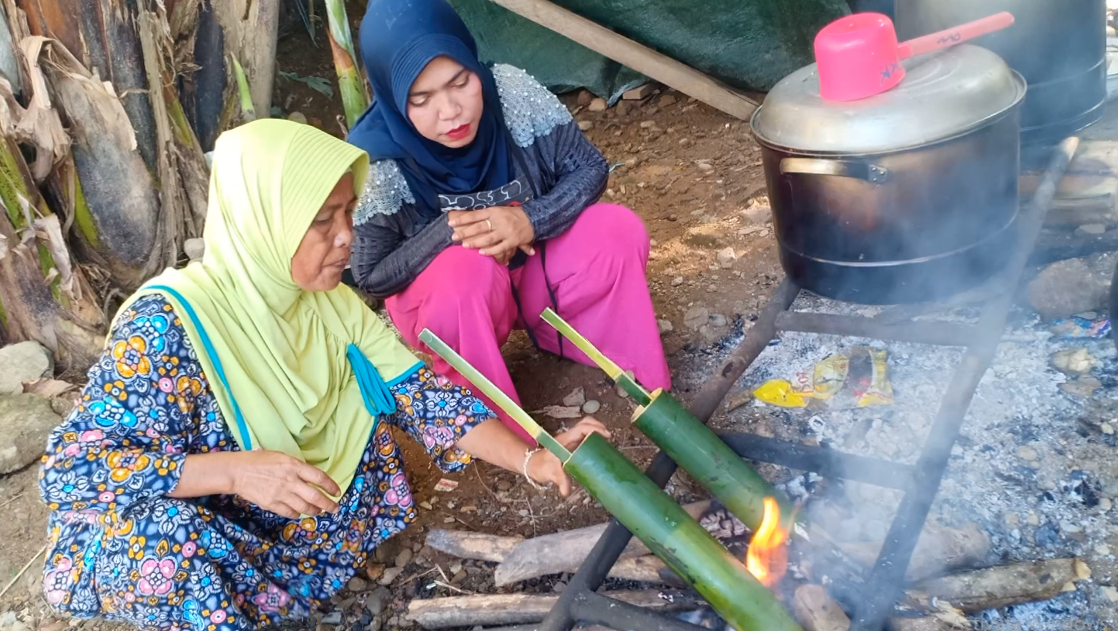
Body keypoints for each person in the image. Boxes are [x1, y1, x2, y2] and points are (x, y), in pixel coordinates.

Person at [37, 119, 607, 631]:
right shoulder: (166, 326)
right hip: (196, 523)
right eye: (321, 221)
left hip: (294, 524)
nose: (347, 237)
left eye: (349, 213)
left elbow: (426, 398)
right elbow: (71, 471)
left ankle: (279, 587)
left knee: (367, 405)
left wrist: (535, 456)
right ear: (264, 222)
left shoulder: (328, 303)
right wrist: (235, 472)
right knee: (152, 541)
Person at [346, 0, 671, 442]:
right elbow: (370, 276)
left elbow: (589, 168)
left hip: (535, 272)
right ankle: (501, 429)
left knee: (618, 230)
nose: (450, 111)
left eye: (460, 82)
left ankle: (638, 378)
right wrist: (449, 231)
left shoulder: (509, 91)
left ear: (471, 62)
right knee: (466, 269)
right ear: (389, 95)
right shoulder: (376, 159)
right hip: (460, 302)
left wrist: (529, 221)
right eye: (421, 100)